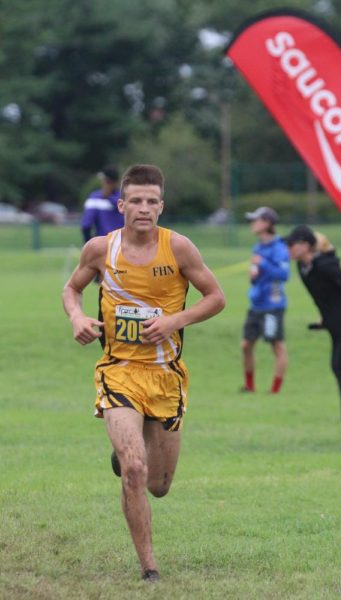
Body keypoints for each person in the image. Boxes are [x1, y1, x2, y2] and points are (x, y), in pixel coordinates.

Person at [62, 164, 226, 582]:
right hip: (118, 372)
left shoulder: (180, 249)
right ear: (121, 205)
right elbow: (72, 288)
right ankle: (149, 567)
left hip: (166, 376)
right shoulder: (101, 249)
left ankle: (129, 455)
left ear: (161, 206)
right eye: (136, 200)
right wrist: (77, 317)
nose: (144, 208)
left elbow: (216, 298)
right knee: (135, 469)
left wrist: (175, 321)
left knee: (159, 484)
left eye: (152, 201)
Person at [284, 225, 341, 420]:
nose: (287, 248)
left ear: (305, 246)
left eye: (291, 244)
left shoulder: (325, 266)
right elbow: (324, 296)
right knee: (339, 367)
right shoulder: (304, 267)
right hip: (334, 323)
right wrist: (325, 317)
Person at [241, 206, 290, 393]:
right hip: (256, 303)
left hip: (273, 305)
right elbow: (258, 273)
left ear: (267, 223)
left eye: (256, 219)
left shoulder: (279, 248)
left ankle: (275, 390)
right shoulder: (258, 247)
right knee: (246, 345)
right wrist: (253, 275)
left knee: (277, 346)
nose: (252, 223)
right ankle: (249, 386)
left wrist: (263, 264)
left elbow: (283, 274)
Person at [81, 165, 124, 243]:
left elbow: (86, 225)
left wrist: (88, 244)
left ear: (104, 180)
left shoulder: (94, 198)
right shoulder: (125, 198)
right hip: (124, 244)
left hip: (102, 245)